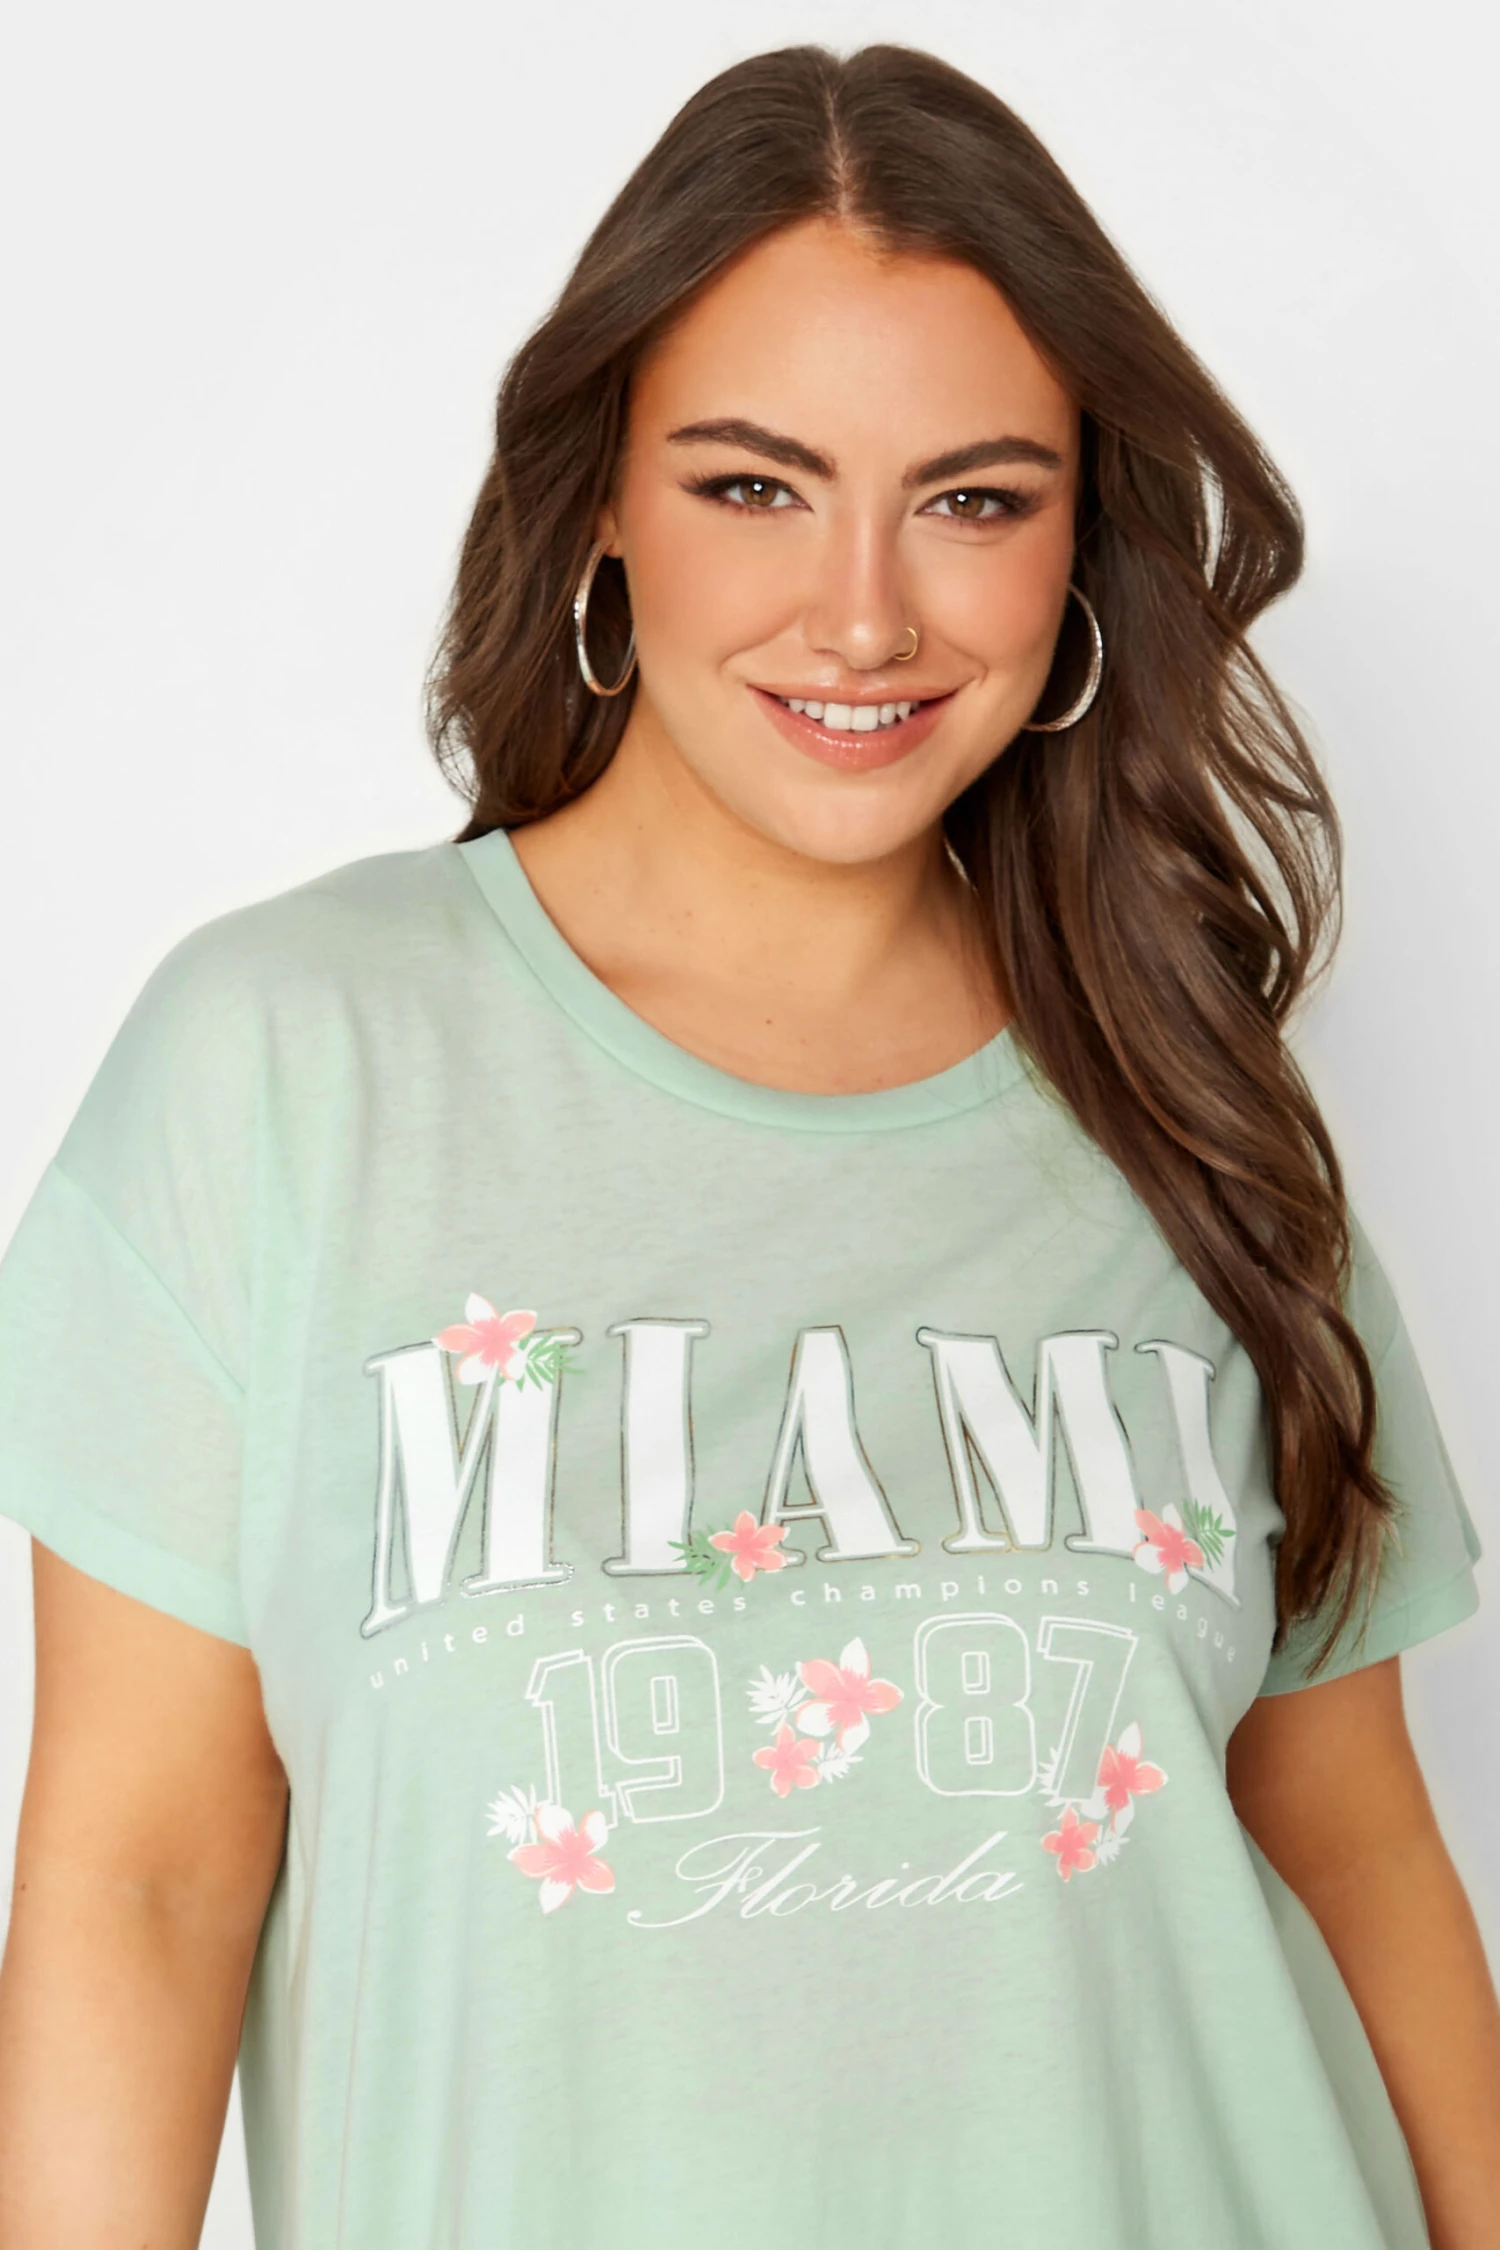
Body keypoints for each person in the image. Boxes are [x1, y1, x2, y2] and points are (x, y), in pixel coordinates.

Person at [0, 36, 1495, 2250]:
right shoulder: (288, 1066)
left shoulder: (1191, 1097)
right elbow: (141, 1877)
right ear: (602, 497)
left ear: (1080, 541)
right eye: (755, 486)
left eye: (975, 499)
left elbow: (1353, 1839)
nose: (866, 614)